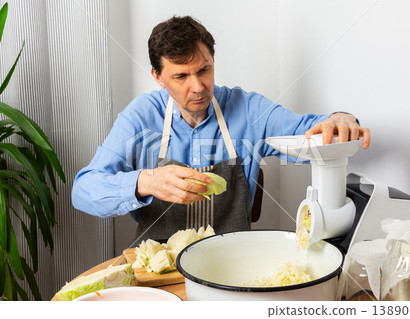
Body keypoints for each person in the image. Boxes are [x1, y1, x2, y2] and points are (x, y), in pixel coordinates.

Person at [72, 16, 370, 241]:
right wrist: (146, 182)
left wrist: (341, 119)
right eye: (181, 76)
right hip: (158, 267)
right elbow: (83, 190)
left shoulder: (248, 109)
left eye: (204, 70)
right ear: (158, 77)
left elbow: (313, 132)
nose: (198, 86)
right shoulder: (140, 117)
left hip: (231, 262)